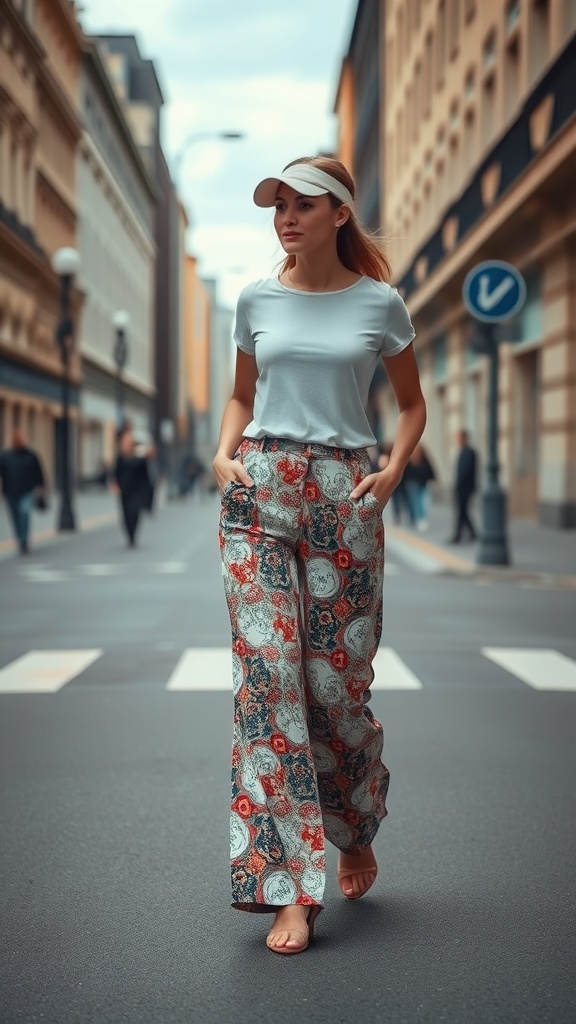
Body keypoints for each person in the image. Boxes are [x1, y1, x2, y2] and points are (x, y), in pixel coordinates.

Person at [213, 156, 426, 955]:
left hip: (345, 492)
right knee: (269, 683)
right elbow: (241, 393)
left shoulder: (379, 303)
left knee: (336, 688)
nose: (286, 218)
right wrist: (223, 454)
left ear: (339, 214)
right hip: (260, 488)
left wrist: (393, 469)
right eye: (278, 206)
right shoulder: (255, 299)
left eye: (303, 205)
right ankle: (288, 890)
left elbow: (412, 404)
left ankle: (356, 824)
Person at [0, 429, 46, 555]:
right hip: (10, 492)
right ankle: (20, 539)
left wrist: (40, 487)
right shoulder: (6, 456)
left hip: (27, 491)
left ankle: (24, 540)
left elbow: (39, 472)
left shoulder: (31, 455)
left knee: (24, 514)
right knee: (15, 517)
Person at [111, 426, 153, 547]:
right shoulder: (120, 458)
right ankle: (129, 536)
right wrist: (115, 484)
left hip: (137, 490)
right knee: (126, 513)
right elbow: (116, 472)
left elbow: (145, 473)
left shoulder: (139, 457)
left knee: (135, 512)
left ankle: (133, 535)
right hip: (125, 490)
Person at [449, 429, 478, 543]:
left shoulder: (469, 452)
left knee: (462, 511)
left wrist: (460, 485)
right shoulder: (462, 451)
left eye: (460, 438)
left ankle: (459, 536)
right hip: (461, 487)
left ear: (465, 438)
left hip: (465, 488)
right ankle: (471, 533)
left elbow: (466, 472)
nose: (458, 440)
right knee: (463, 511)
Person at [376, 441, 414, 526]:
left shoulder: (387, 458)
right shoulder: (399, 458)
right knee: (406, 499)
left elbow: (381, 468)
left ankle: (398, 516)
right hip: (402, 481)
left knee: (398, 500)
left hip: (395, 482)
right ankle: (410, 516)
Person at [404, 442, 436, 531]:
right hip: (412, 484)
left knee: (422, 502)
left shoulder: (424, 460)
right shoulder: (409, 460)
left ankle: (421, 518)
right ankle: (416, 518)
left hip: (423, 483)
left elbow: (430, 469)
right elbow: (405, 472)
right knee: (415, 502)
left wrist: (433, 479)